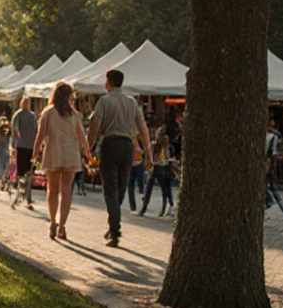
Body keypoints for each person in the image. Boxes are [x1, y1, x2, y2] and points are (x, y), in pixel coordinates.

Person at [87, 69, 153, 248]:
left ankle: (114, 230)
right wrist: (148, 152)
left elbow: (95, 123)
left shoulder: (104, 101)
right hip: (128, 146)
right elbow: (142, 127)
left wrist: (89, 147)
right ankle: (112, 225)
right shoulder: (132, 102)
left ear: (109, 82)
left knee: (110, 188)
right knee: (121, 186)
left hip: (110, 144)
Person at [33, 82, 91, 241]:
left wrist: (35, 151)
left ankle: (52, 222)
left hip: (53, 152)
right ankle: (62, 226)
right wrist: (87, 152)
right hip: (71, 154)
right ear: (69, 97)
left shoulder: (48, 113)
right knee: (67, 191)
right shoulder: (74, 115)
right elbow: (81, 137)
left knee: (52, 190)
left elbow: (41, 134)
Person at [138, 133, 178, 218]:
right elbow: (152, 157)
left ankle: (165, 208)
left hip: (163, 169)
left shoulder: (168, 147)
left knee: (165, 188)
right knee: (150, 188)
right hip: (155, 168)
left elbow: (169, 158)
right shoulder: (155, 146)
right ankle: (144, 208)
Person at [11, 98, 37, 210]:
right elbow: (36, 130)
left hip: (22, 146)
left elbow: (14, 128)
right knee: (29, 173)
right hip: (31, 146)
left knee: (21, 173)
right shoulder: (33, 115)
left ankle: (19, 195)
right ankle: (28, 198)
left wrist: (16, 137)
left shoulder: (19, 114)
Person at [265, 119, 283, 223]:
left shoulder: (269, 137)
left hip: (267, 165)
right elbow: (273, 153)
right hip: (269, 165)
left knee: (270, 189)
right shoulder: (274, 137)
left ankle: (270, 203)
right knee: (273, 190)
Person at [0, 115, 11, 188]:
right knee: (6, 166)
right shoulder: (8, 130)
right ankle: (4, 180)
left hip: (1, 150)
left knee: (0, 166)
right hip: (6, 149)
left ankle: (0, 180)